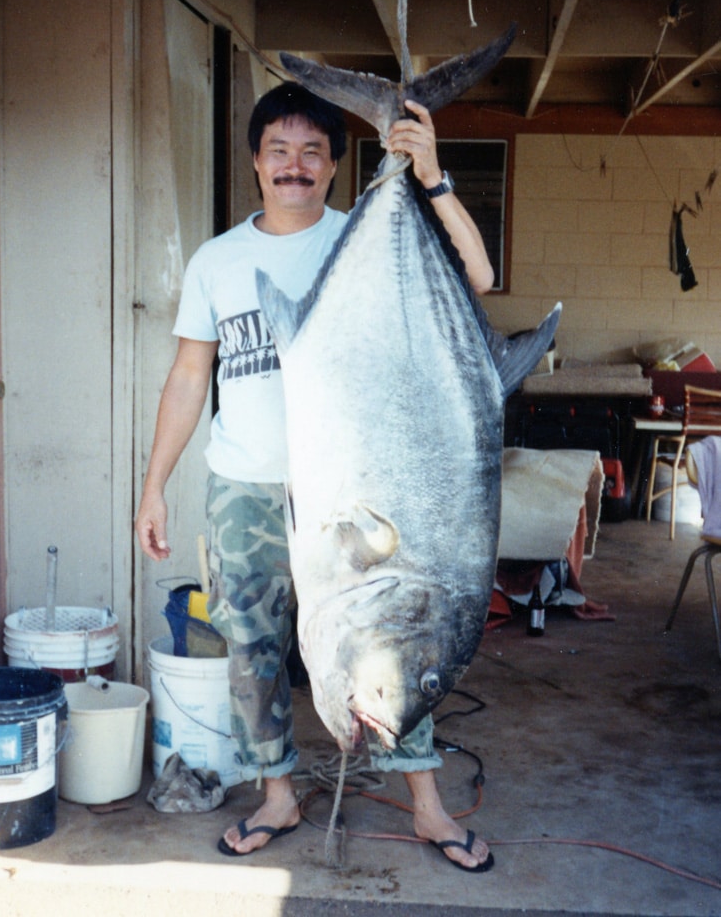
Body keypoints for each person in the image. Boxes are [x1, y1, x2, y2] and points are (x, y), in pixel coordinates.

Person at [135, 81, 495, 873]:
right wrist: (155, 483)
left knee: (398, 635)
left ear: (335, 165)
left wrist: (430, 176)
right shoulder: (217, 261)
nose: (294, 166)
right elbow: (190, 377)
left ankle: (429, 808)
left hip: (358, 492)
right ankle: (277, 796)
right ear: (256, 163)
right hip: (246, 485)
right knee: (250, 647)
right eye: (279, 151)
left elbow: (477, 278)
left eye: (312, 153)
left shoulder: (359, 239)